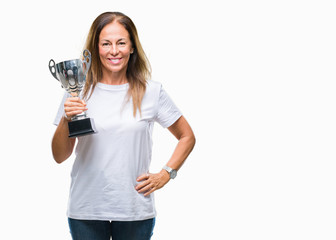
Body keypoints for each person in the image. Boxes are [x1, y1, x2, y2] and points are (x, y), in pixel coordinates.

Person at [52, 11, 195, 240]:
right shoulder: (78, 91)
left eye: (121, 42)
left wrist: (166, 174)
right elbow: (59, 156)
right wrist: (65, 119)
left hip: (134, 210)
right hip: (86, 209)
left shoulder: (152, 92)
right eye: (106, 43)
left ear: (132, 47)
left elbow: (187, 136)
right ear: (95, 49)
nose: (114, 51)